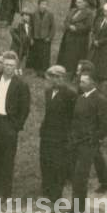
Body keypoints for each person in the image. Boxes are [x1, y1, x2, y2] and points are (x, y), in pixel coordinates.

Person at [0, 51, 30, 199]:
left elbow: (25, 108)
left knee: (6, 159)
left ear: (16, 67)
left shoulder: (21, 85)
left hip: (8, 124)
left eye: (12, 65)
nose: (8, 68)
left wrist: (15, 126)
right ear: (2, 65)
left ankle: (5, 192)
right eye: (6, 65)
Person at [68, 71, 107, 213]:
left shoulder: (99, 99)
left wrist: (94, 138)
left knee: (80, 175)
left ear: (92, 83)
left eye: (84, 82)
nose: (80, 84)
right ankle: (76, 206)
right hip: (77, 142)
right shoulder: (81, 98)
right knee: (76, 174)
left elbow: (106, 125)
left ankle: (78, 210)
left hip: (88, 143)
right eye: (80, 81)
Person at [38, 65, 77, 203]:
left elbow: (73, 117)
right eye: (52, 76)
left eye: (58, 76)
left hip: (61, 135)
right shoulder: (48, 92)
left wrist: (69, 135)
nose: (55, 79)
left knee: (58, 165)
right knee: (45, 161)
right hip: (47, 133)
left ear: (63, 77)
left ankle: (56, 196)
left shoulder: (70, 94)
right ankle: (47, 191)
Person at [57, 0, 95, 75]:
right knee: (67, 54)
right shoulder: (73, 10)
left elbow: (88, 26)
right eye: (77, 2)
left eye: (80, 2)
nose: (77, 4)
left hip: (79, 39)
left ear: (85, 3)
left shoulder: (89, 13)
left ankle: (74, 71)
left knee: (75, 55)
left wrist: (77, 28)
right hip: (69, 36)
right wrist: (69, 26)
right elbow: (66, 21)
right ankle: (65, 69)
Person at [89, 3, 107, 83]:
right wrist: (94, 40)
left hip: (105, 46)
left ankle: (101, 78)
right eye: (104, 11)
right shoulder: (99, 20)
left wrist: (100, 42)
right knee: (93, 60)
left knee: (102, 64)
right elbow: (93, 31)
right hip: (95, 44)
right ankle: (92, 75)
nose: (105, 13)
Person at [28, 0, 55, 73]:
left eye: (45, 5)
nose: (44, 6)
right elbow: (30, 27)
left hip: (45, 38)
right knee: (35, 53)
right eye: (42, 4)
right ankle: (34, 68)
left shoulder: (50, 15)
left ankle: (43, 69)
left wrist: (49, 37)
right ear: (38, 5)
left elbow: (53, 27)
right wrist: (31, 38)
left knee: (45, 54)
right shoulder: (33, 14)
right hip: (36, 37)